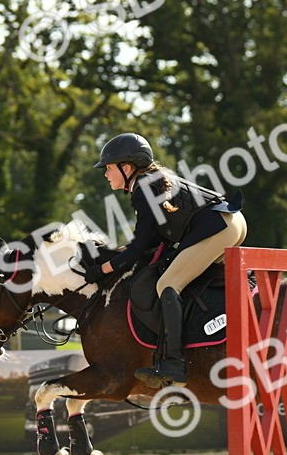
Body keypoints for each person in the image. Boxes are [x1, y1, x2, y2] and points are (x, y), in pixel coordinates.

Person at [81, 132, 246, 386]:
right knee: (181, 277)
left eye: (109, 168)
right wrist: (123, 252)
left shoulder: (143, 188)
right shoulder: (150, 181)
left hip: (219, 227)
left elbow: (139, 249)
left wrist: (101, 270)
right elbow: (151, 240)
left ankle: (174, 363)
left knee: (167, 285)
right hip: (230, 222)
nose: (105, 174)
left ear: (126, 168)